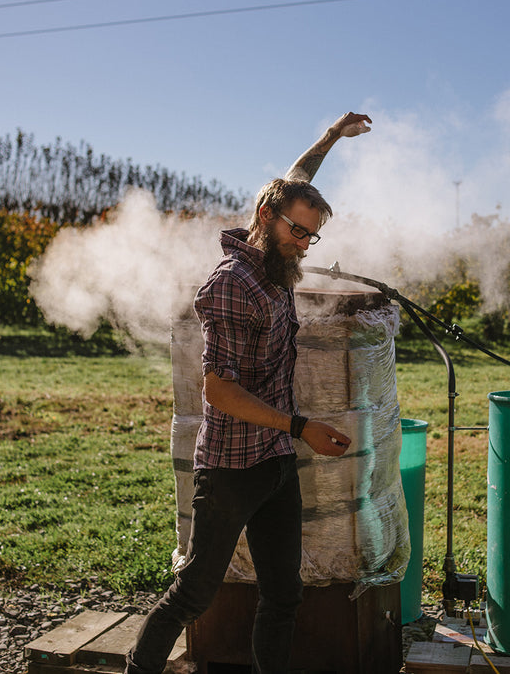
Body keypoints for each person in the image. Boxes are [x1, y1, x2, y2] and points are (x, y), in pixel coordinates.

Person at [126, 111, 373, 674]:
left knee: (284, 594)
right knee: (193, 595)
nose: (306, 242)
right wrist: (299, 426)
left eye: (313, 234)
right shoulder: (233, 285)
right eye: (298, 230)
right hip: (233, 469)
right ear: (266, 218)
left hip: (276, 465)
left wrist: (331, 137)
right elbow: (218, 391)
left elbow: (294, 181)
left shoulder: (275, 257)